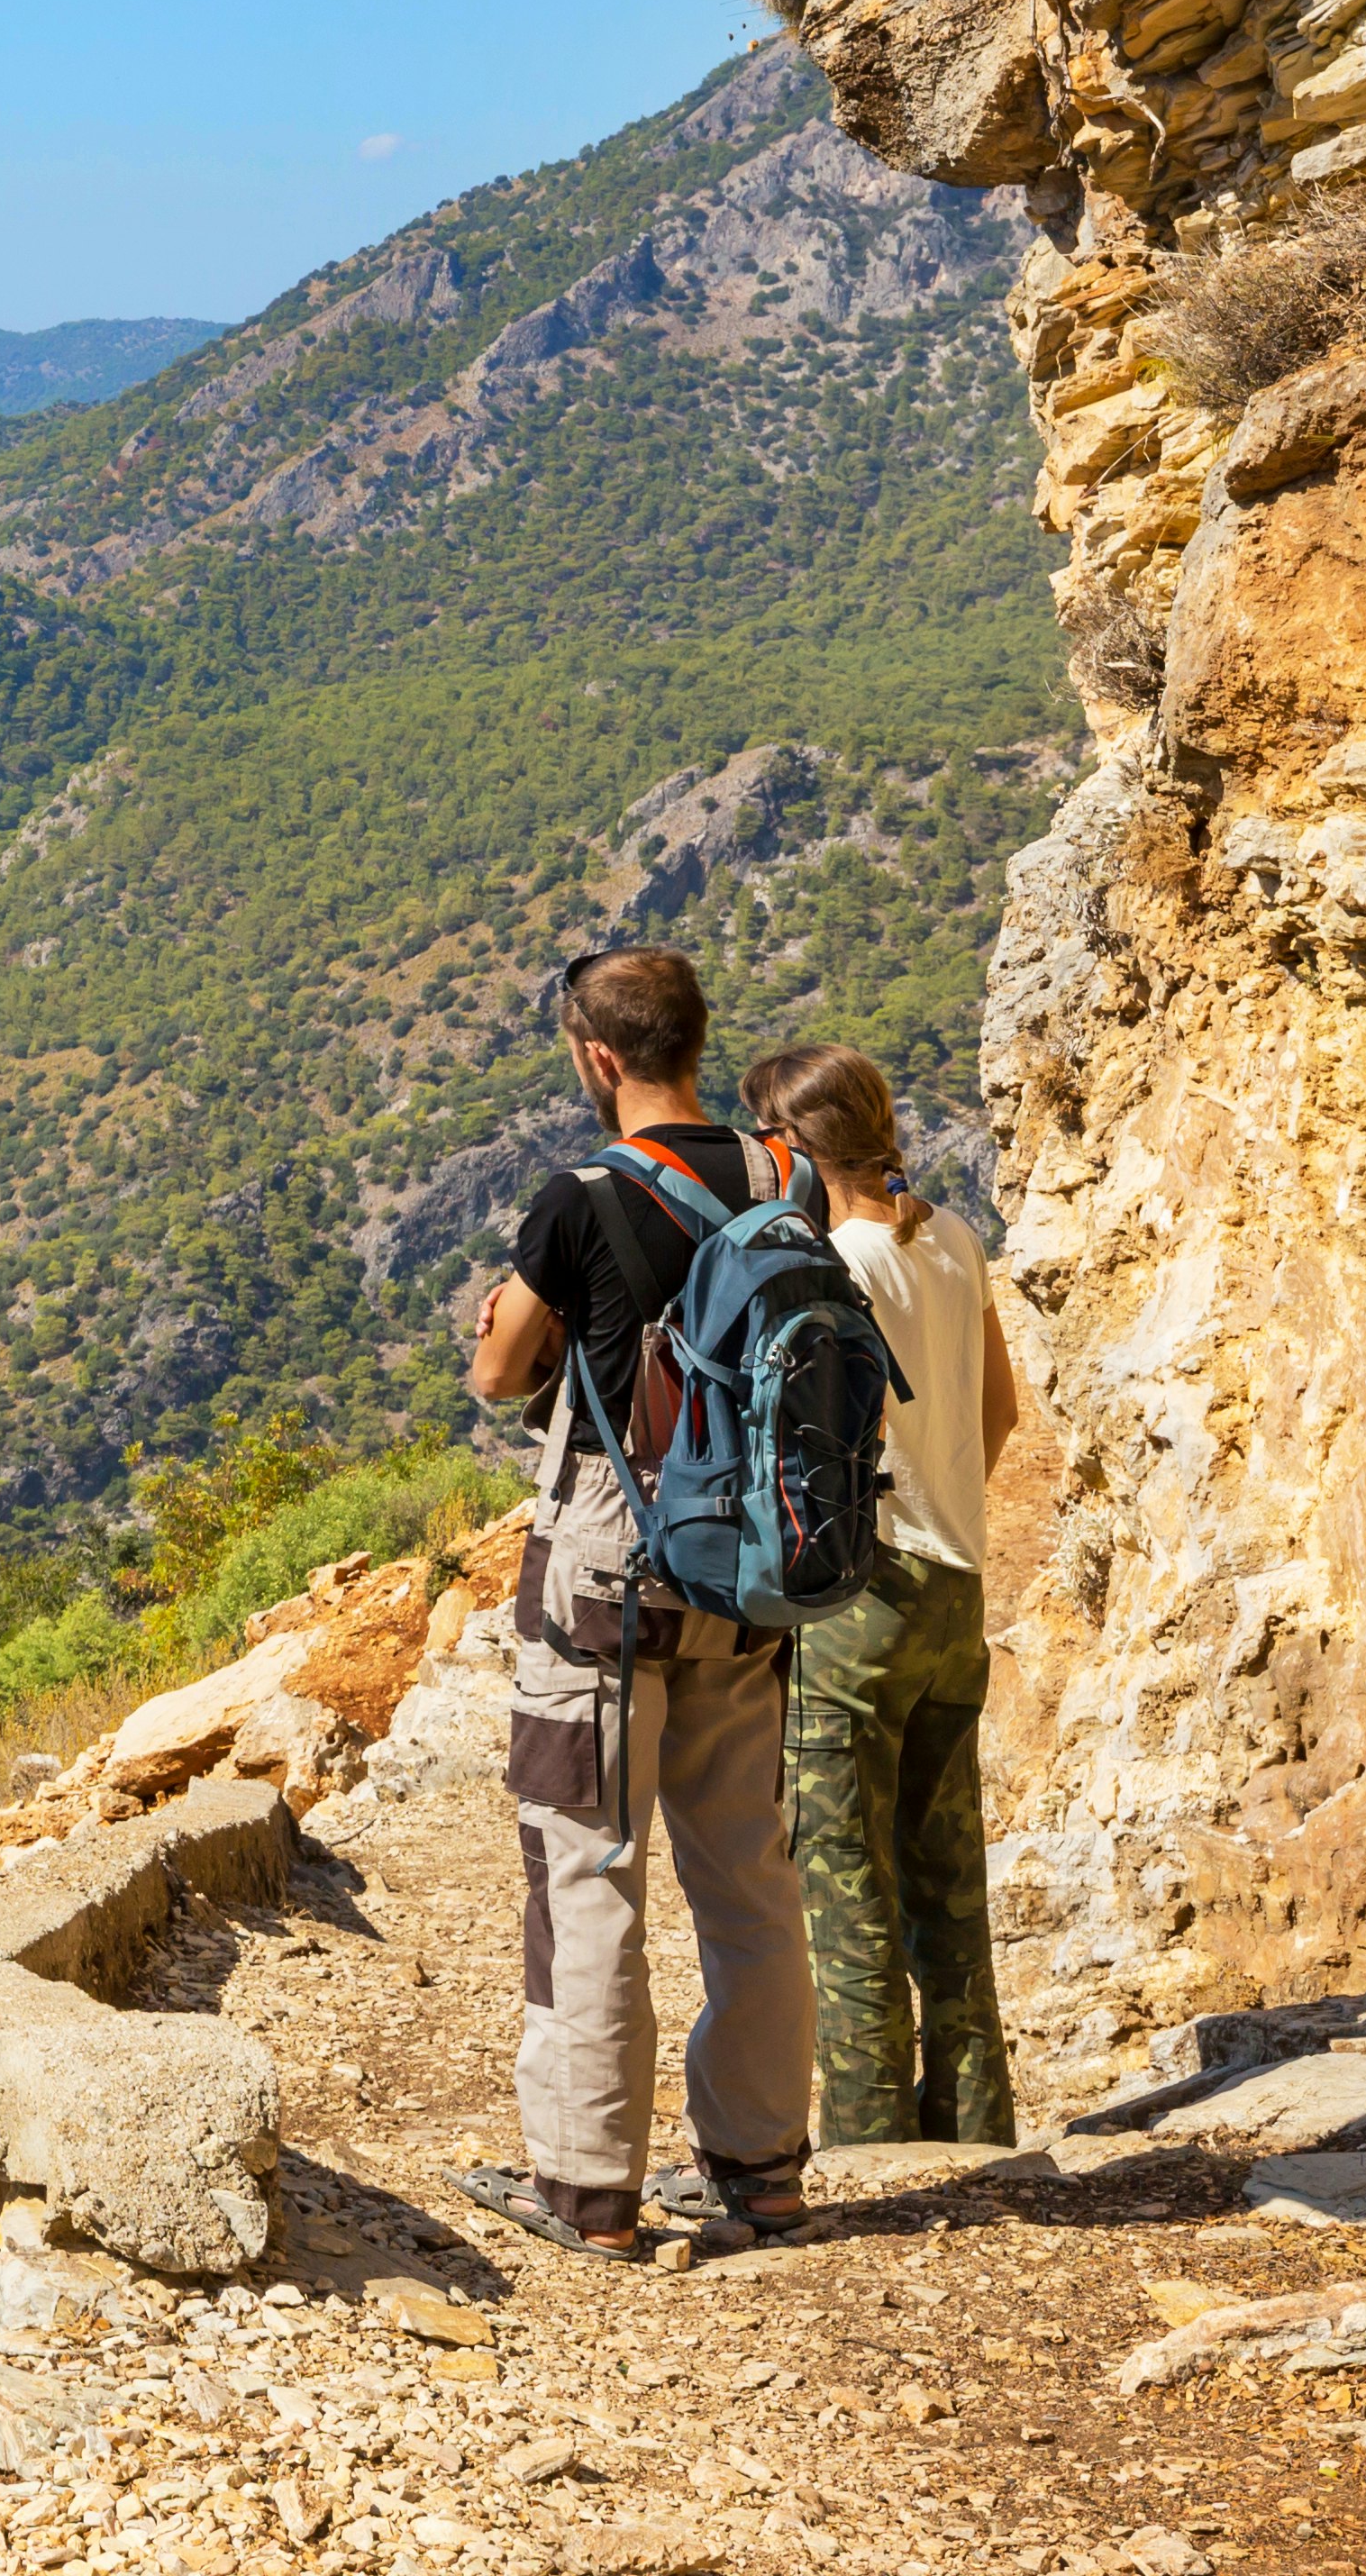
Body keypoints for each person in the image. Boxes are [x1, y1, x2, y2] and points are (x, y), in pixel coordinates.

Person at [457, 944, 815, 2262]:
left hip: (612, 1560)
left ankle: (589, 2189)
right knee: (749, 1877)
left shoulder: (581, 1195)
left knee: (589, 1863)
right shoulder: (788, 1176)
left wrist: (512, 1311)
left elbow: (503, 1375)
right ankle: (763, 2170)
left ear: (597, 1058)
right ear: (695, 1042)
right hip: (754, 1567)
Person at [741, 1040, 1026, 2146]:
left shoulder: (834, 1264)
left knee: (848, 1890)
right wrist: (941, 1503)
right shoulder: (951, 1238)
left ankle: (872, 2153)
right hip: (957, 1589)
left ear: (799, 1147)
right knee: (949, 1889)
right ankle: (977, 2133)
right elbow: (998, 1413)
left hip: (861, 1599)